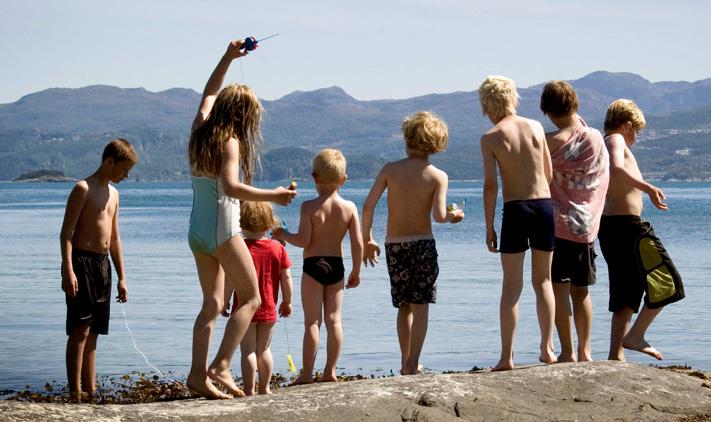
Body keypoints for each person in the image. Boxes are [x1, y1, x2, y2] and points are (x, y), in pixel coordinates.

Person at [187, 39, 297, 399]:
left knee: (212, 305)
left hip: (197, 231)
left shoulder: (200, 128)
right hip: (222, 231)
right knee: (250, 299)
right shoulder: (230, 141)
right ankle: (220, 364)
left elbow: (208, 92)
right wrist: (275, 196)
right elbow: (232, 187)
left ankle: (196, 375)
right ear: (244, 116)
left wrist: (228, 57)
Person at [361, 111, 464, 376]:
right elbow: (439, 217)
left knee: (403, 305)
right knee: (421, 306)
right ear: (436, 145)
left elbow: (368, 206)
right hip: (422, 245)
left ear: (407, 139)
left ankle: (404, 359)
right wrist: (454, 217)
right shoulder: (438, 176)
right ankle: (412, 363)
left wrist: (367, 239)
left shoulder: (389, 170)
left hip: (394, 245)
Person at [478, 75, 557, 371]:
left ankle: (506, 357)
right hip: (543, 205)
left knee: (512, 286)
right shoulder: (536, 127)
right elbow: (548, 172)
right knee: (544, 281)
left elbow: (490, 186)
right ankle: (548, 350)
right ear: (512, 98)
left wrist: (488, 226)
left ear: (487, 104)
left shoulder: (491, 137)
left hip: (515, 208)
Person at [599, 99, 684, 361]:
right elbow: (616, 168)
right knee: (669, 283)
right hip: (628, 228)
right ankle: (635, 336)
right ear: (626, 126)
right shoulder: (615, 140)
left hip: (613, 227)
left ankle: (616, 355)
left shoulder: (609, 140)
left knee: (626, 292)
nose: (636, 136)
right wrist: (648, 187)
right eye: (636, 130)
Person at [273, 148, 363, 385]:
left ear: (314, 177)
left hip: (313, 266)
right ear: (343, 180)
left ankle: (306, 374)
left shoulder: (309, 207)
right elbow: (358, 243)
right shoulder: (350, 208)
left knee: (312, 322)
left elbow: (303, 241)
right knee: (334, 320)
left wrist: (283, 233)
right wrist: (356, 270)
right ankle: (330, 371)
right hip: (336, 266)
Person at [60, 138, 138, 400]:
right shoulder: (83, 188)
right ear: (109, 162)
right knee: (80, 330)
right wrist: (67, 270)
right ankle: (75, 391)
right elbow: (67, 233)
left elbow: (115, 238)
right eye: (123, 170)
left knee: (95, 331)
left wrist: (122, 277)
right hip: (81, 263)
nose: (126, 175)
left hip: (103, 265)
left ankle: (90, 390)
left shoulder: (114, 194)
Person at [539, 80, 609, 363]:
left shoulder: (547, 142)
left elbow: (539, 177)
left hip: (558, 224)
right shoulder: (594, 137)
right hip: (587, 225)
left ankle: (567, 351)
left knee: (559, 289)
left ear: (548, 111)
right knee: (582, 291)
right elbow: (602, 177)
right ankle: (586, 351)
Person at [222, 201, 293, 395]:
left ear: (241, 223)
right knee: (264, 350)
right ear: (270, 223)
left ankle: (249, 389)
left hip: (244, 308)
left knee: (248, 351)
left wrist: (224, 300)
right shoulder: (278, 248)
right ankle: (265, 387)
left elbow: (229, 280)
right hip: (269, 307)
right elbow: (286, 278)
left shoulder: (239, 249)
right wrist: (287, 301)